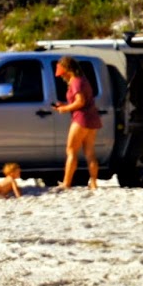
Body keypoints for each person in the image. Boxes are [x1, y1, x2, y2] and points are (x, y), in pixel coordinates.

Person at [53, 56, 101, 190]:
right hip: (92, 119)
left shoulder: (75, 82)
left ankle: (66, 183)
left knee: (71, 150)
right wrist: (66, 105)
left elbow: (80, 102)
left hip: (81, 119)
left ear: (67, 69)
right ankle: (94, 183)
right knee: (89, 152)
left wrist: (65, 108)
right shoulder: (83, 80)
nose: (62, 76)